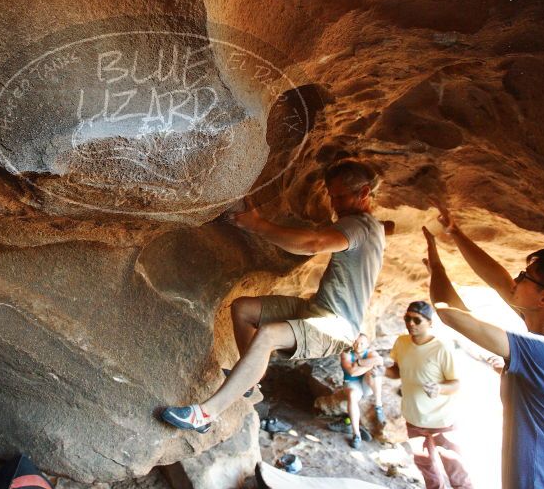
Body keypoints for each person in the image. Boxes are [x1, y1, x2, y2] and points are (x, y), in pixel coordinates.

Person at [160, 159, 385, 432]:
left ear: (363, 194)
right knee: (243, 309)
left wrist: (257, 225)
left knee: (267, 335)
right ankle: (250, 379)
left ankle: (204, 415)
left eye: (340, 197)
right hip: (318, 308)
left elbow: (313, 244)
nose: (334, 204)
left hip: (335, 326)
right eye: (331, 196)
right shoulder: (373, 228)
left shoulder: (357, 226)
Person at [423, 206, 544, 489]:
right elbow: (500, 282)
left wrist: (436, 266)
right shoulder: (541, 328)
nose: (515, 280)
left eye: (525, 276)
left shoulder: (541, 351)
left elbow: (451, 314)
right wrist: (455, 232)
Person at [385, 301, 475, 489]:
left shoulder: (442, 348)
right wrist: (381, 370)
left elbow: (456, 384)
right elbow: (396, 371)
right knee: (429, 472)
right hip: (414, 419)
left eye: (417, 320)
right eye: (407, 318)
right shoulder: (401, 342)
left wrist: (439, 388)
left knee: (456, 471)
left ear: (430, 323)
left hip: (442, 421)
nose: (411, 323)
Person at [335, 333, 385, 448]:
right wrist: (370, 363)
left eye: (362, 343)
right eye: (356, 342)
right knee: (352, 395)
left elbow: (380, 361)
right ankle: (356, 435)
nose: (358, 345)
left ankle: (378, 405)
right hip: (352, 383)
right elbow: (352, 372)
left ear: (367, 344)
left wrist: (358, 363)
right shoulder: (346, 353)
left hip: (366, 384)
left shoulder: (371, 353)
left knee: (374, 373)